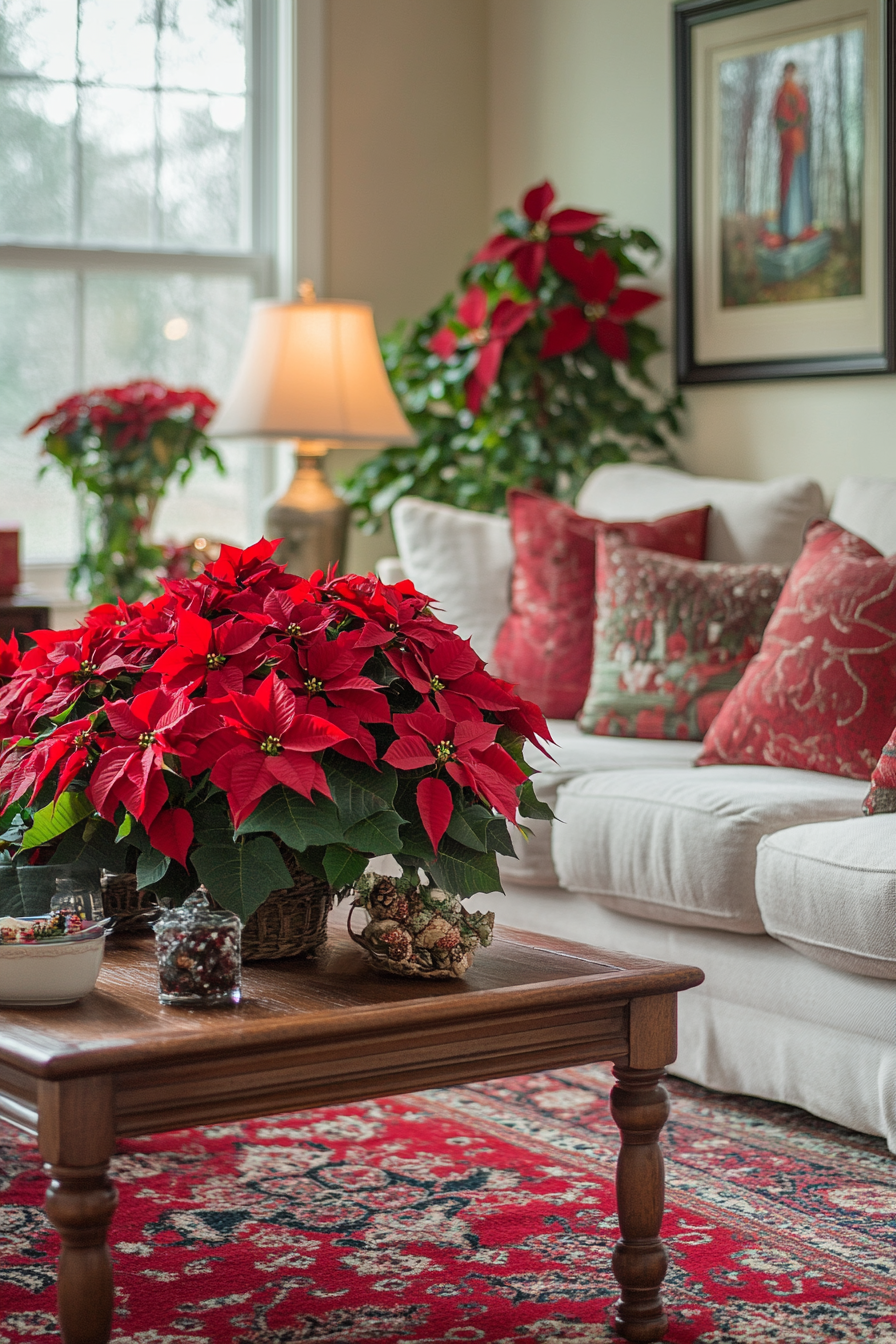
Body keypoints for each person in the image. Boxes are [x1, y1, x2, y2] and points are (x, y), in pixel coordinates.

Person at [774, 60, 817, 243]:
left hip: (798, 145)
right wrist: (789, 124)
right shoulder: (782, 93)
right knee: (788, 183)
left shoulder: (798, 93)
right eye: (788, 72)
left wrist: (797, 117)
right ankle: (789, 229)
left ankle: (802, 227)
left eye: (793, 71)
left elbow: (802, 113)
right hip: (788, 146)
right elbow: (779, 120)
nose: (790, 75)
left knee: (800, 182)